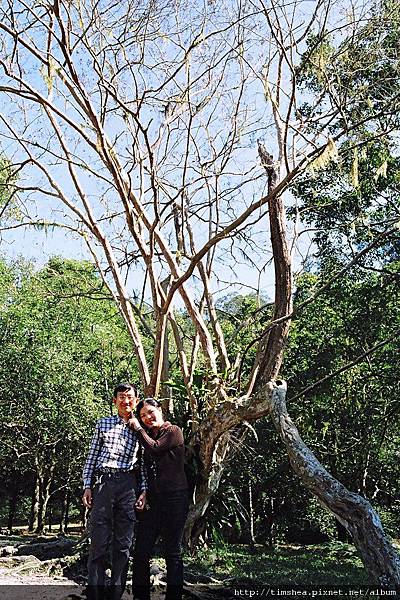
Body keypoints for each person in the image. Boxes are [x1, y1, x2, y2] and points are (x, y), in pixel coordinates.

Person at [82, 383, 147, 600]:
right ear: (115, 401)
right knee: (99, 540)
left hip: (128, 484)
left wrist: (144, 490)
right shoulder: (103, 423)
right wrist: (87, 485)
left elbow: (144, 464)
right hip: (103, 483)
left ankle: (116, 593)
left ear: (136, 401)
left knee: (123, 543)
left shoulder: (140, 428)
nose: (126, 401)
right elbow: (92, 457)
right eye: (121, 397)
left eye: (130, 397)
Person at [128, 398, 189, 600]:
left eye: (150, 412)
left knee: (172, 552)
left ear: (160, 410)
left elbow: (155, 447)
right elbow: (146, 468)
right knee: (141, 551)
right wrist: (144, 493)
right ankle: (140, 595)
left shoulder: (174, 432)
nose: (147, 418)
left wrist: (137, 428)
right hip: (153, 501)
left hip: (175, 499)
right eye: (143, 415)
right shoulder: (149, 436)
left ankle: (174, 596)